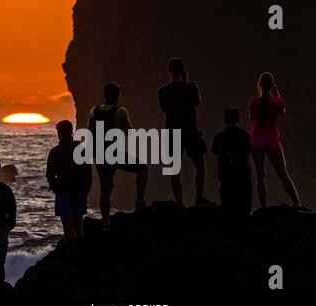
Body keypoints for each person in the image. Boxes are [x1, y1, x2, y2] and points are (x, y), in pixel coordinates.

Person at [88, 83, 148, 230]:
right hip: (116, 153)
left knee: (105, 189)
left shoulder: (93, 111)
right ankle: (139, 202)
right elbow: (130, 132)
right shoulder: (121, 111)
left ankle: (106, 222)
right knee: (143, 169)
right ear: (117, 95)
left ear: (104, 95)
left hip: (100, 155)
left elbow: (90, 132)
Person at [158, 57, 214, 208]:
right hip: (190, 131)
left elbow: (164, 109)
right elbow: (197, 102)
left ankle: (180, 203)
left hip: (172, 132)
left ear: (169, 72)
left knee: (175, 169)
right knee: (200, 164)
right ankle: (199, 197)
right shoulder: (191, 87)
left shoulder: (163, 90)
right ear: (183, 71)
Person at [248, 72, 307, 210]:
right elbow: (282, 112)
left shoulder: (253, 101)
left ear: (260, 84)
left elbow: (251, 118)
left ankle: (263, 207)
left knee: (260, 175)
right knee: (283, 173)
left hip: (257, 138)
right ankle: (297, 203)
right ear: (272, 85)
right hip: (272, 139)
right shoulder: (278, 101)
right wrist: (277, 94)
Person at [47, 120, 92, 242]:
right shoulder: (81, 149)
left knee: (67, 228)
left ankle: (70, 253)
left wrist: (57, 190)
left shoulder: (55, 151)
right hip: (78, 191)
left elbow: (50, 175)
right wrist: (85, 192)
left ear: (59, 133)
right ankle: (79, 253)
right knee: (79, 227)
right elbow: (88, 175)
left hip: (63, 192)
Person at [212, 109, 252, 217]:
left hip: (226, 175)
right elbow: (248, 150)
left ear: (225, 121)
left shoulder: (219, 137)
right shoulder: (244, 136)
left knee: (227, 205)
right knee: (244, 204)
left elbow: (214, 150)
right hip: (242, 174)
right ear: (238, 120)